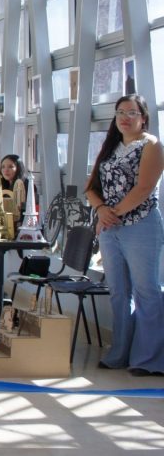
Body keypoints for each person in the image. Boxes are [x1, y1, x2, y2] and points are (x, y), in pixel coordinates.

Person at [85, 94, 164, 377]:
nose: (125, 118)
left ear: (143, 117)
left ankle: (149, 359)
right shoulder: (111, 146)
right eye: (120, 112)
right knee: (119, 291)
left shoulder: (152, 145)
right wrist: (101, 210)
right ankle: (119, 353)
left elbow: (144, 188)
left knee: (147, 290)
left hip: (140, 225)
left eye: (132, 112)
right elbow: (90, 187)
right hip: (110, 228)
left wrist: (112, 213)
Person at [0, 154, 28, 224]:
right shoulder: (4, 185)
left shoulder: (24, 184)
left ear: (18, 168)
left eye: (11, 167)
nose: (6, 170)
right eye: (3, 167)